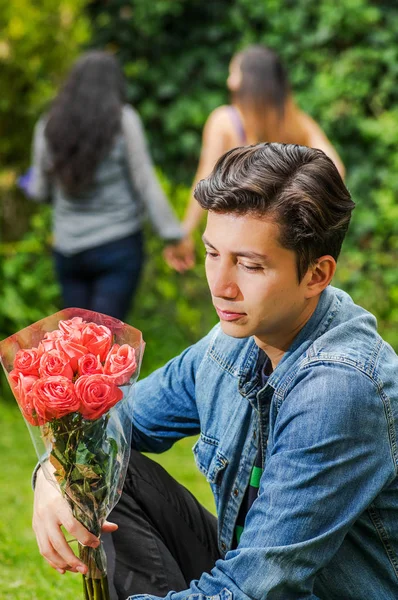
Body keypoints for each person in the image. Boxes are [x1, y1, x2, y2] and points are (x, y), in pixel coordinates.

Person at [32, 143, 398, 600]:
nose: (221, 286)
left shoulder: (340, 388)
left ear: (317, 275)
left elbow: (256, 587)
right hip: (251, 575)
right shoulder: (230, 345)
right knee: (106, 467)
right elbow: (108, 427)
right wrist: (53, 471)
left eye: (249, 264)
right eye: (211, 253)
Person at [28, 50, 189, 321]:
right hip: (118, 246)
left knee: (77, 340)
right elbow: (145, 182)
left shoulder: (49, 124)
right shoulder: (124, 120)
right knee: (106, 339)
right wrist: (173, 234)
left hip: (68, 249)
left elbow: (40, 190)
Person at [164, 44, 345, 272]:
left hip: (238, 243)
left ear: (244, 80)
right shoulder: (294, 122)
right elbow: (336, 168)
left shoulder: (225, 121)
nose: (229, 80)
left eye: (233, 73)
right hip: (282, 242)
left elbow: (204, 178)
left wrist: (185, 232)